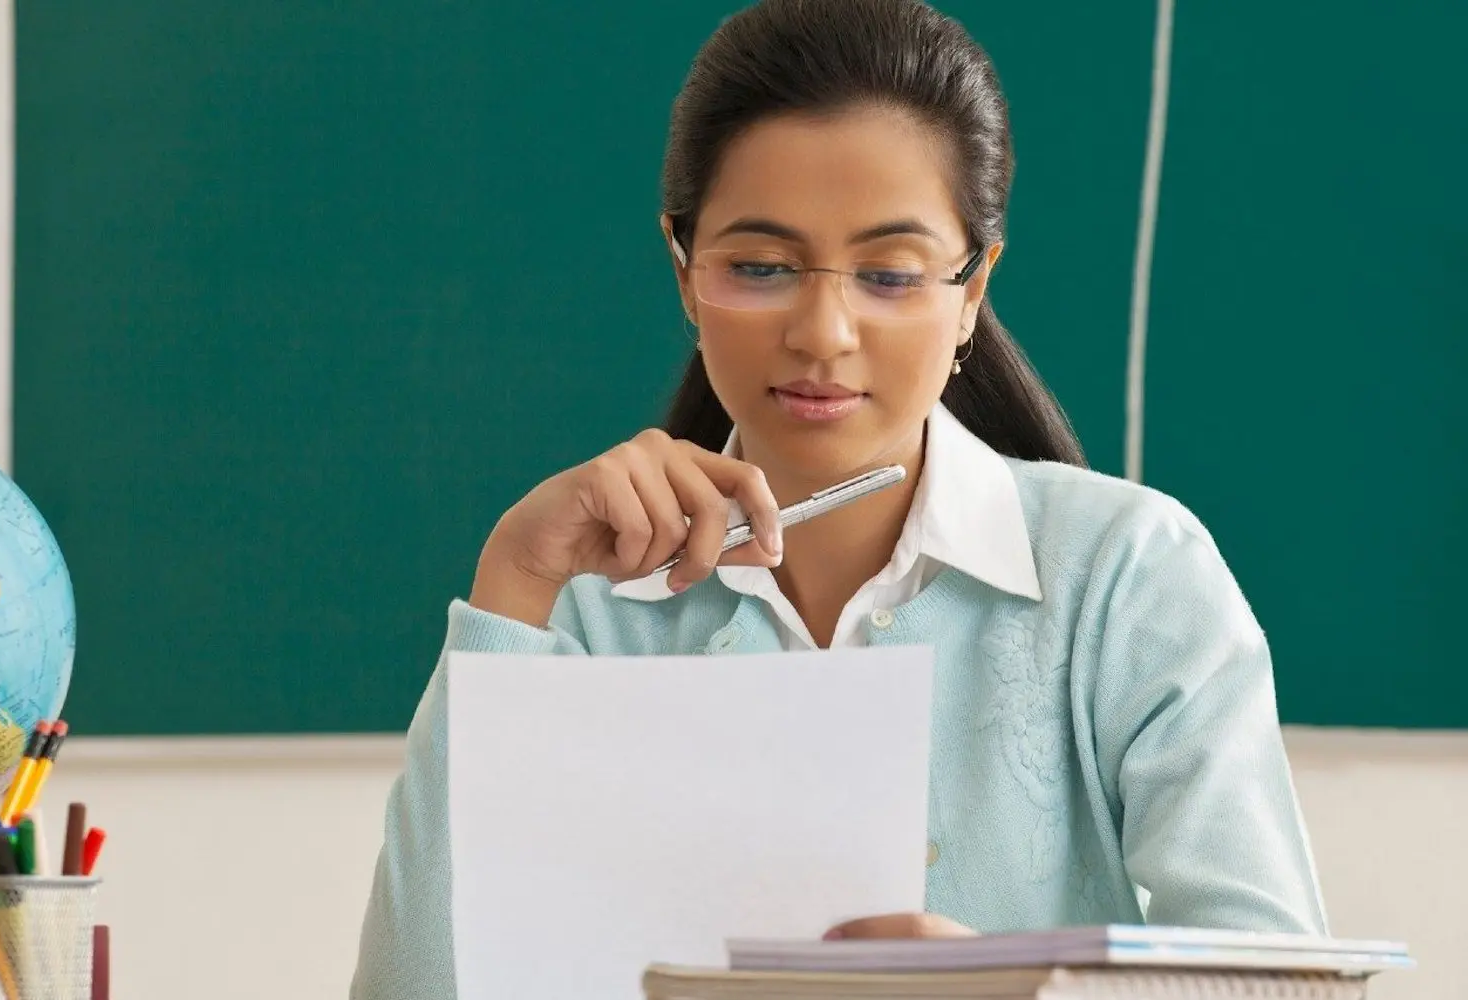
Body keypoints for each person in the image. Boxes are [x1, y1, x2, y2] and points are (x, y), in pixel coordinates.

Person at [350, 0, 1326, 995]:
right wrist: (511, 590)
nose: (823, 332)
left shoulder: (1126, 574)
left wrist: (1018, 987)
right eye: (761, 267)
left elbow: (1284, 979)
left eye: (891, 274)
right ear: (685, 272)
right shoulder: (586, 607)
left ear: (972, 291)